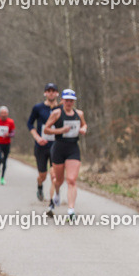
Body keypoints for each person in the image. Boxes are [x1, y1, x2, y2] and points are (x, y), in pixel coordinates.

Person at [44, 89, 87, 221]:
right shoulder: (56, 113)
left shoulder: (79, 114)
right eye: (66, 100)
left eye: (71, 100)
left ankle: (71, 210)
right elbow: (46, 129)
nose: (68, 103)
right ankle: (56, 193)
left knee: (72, 180)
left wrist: (83, 129)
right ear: (62, 100)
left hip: (73, 148)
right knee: (59, 180)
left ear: (74, 101)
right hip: (58, 148)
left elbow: (84, 125)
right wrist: (60, 130)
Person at [28, 83, 61, 202]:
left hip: (56, 146)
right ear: (45, 93)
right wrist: (37, 137)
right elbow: (30, 123)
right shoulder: (38, 108)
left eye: (53, 91)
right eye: (48, 91)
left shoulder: (60, 108)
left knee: (55, 174)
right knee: (43, 175)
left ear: (57, 93)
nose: (51, 93)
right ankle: (39, 185)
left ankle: (54, 198)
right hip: (41, 146)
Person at [0, 107, 16, 185]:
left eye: (5, 113)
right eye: (2, 113)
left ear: (7, 114)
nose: (3, 115)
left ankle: (2, 177)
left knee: (5, 160)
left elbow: (13, 133)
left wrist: (9, 135)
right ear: (0, 113)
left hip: (7, 143)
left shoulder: (10, 122)